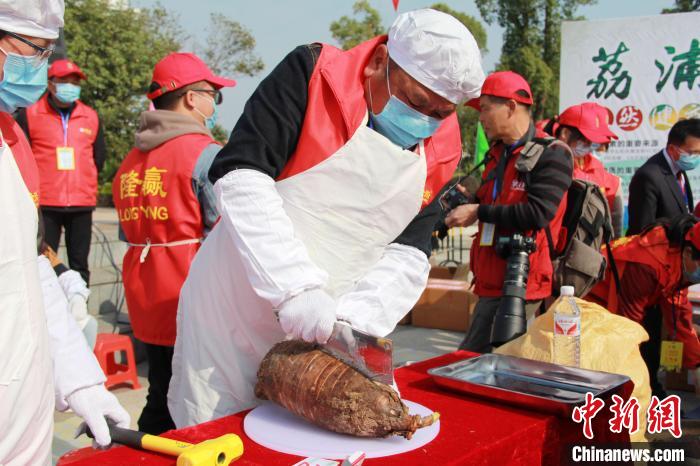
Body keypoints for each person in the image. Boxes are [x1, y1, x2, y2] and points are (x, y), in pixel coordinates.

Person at [168, 8, 484, 427]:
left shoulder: (442, 147)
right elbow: (241, 173)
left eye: (441, 113)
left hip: (328, 334)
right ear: (378, 63)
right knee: (217, 433)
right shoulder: (314, 75)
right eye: (416, 101)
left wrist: (358, 318)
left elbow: (409, 250)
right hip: (234, 316)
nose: (424, 120)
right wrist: (295, 288)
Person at [0, 2, 128, 464]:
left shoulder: (10, 139)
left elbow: (27, 270)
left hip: (21, 413)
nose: (41, 67)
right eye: (36, 50)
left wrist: (79, 379)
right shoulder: (27, 122)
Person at [112, 52, 233, 434]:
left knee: (161, 389)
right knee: (202, 400)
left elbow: (127, 234)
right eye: (213, 94)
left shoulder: (130, 162)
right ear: (189, 98)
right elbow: (227, 231)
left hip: (146, 297)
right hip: (191, 299)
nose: (214, 104)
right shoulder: (204, 154)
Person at [444, 70, 573, 353]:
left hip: (521, 285)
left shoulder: (553, 153)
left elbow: (538, 213)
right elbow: (485, 197)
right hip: (489, 281)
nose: (481, 117)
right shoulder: (497, 154)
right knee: (478, 363)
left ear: (511, 107)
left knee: (485, 364)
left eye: (486, 108)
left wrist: (480, 211)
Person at [627, 117, 700, 398]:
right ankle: (644, 392)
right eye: (692, 153)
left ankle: (653, 387)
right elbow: (641, 231)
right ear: (674, 149)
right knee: (645, 334)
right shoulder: (650, 175)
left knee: (659, 333)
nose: (694, 159)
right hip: (650, 272)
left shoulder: (678, 175)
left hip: (671, 272)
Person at [15, 59, 105, 284]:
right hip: (46, 203)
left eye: (75, 82)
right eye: (64, 81)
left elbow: (99, 157)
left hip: (81, 201)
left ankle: (79, 313)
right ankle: (48, 314)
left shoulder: (90, 116)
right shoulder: (31, 114)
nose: (71, 86)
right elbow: (22, 157)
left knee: (79, 263)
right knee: (43, 262)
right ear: (51, 83)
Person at [587, 214, 700, 384]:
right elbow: (627, 325)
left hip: (618, 311)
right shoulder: (648, 263)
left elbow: (680, 316)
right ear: (689, 253)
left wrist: (697, 364)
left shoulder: (675, 261)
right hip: (591, 305)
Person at [555, 102, 624, 237]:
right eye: (586, 140)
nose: (591, 146)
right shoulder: (549, 162)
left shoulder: (596, 167)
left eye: (594, 142)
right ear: (564, 133)